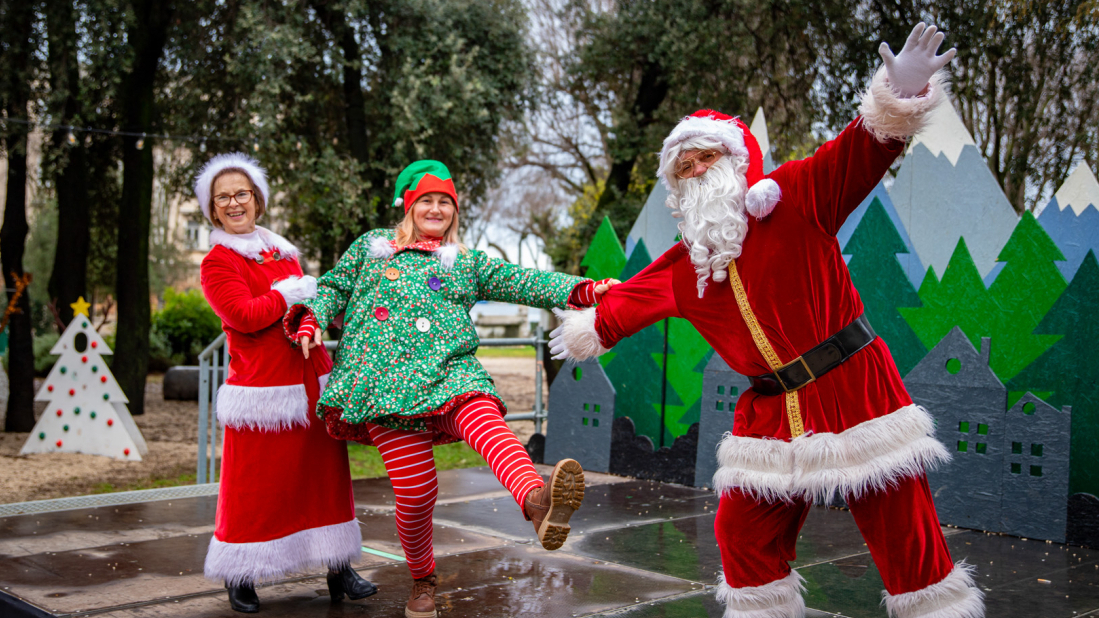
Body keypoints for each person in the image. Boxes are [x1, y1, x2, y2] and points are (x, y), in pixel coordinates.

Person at [550, 24, 985, 618]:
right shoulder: (689, 265)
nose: (698, 170)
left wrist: (897, 95)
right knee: (743, 532)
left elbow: (855, 154)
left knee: (903, 531)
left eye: (708, 157)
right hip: (770, 414)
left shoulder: (795, 195)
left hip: (855, 389)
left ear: (737, 161)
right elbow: (631, 299)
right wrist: (591, 326)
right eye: (685, 166)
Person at [284, 159, 615, 618]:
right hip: (382, 386)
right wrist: (313, 316)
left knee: (487, 420)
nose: (436, 208)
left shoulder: (463, 261)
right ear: (408, 206)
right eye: (427, 200)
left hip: (449, 372)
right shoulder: (372, 248)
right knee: (417, 494)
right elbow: (333, 288)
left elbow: (525, 280)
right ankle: (422, 580)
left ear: (455, 212)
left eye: (445, 202)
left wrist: (589, 290)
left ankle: (537, 501)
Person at [196, 153, 376, 613]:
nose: (234, 203)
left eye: (242, 194)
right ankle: (241, 574)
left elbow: (302, 312)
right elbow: (243, 315)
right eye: (224, 198)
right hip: (262, 390)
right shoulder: (217, 263)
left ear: (257, 200)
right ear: (213, 210)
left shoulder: (283, 251)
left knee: (324, 477)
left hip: (309, 377)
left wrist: (310, 320)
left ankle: (339, 568)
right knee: (254, 485)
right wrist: (288, 294)